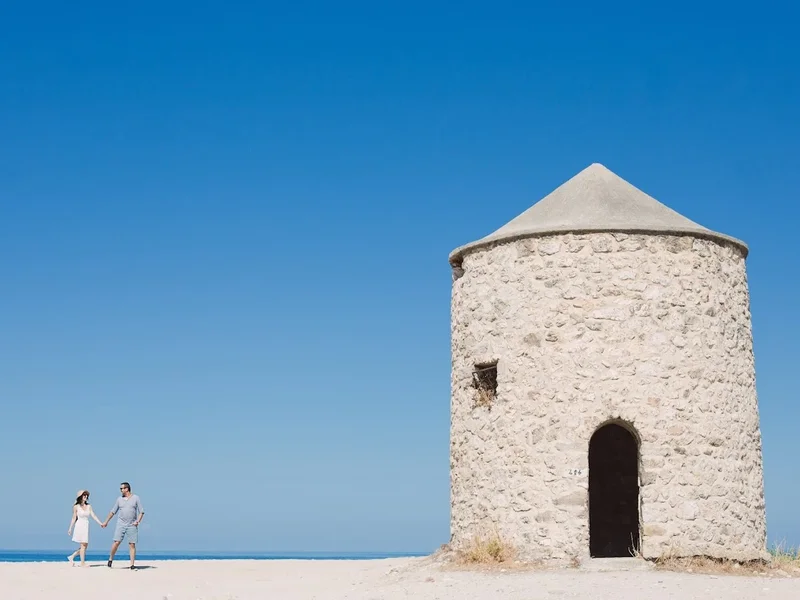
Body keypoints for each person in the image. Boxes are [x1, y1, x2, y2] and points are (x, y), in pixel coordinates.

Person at [101, 481, 145, 569]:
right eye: (120, 489)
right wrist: (106, 522)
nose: (121, 490)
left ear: (127, 489)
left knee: (132, 544)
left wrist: (137, 521)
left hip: (132, 525)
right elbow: (113, 512)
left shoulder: (136, 498)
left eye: (122, 488)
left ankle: (132, 564)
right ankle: (110, 559)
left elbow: (141, 511)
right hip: (120, 524)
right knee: (116, 542)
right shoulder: (119, 499)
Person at [67, 490, 103, 567]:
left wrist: (100, 523)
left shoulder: (89, 506)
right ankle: (82, 563)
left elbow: (93, 516)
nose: (86, 497)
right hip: (79, 526)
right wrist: (70, 528)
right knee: (83, 545)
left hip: (86, 526)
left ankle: (72, 557)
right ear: (80, 497)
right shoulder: (76, 507)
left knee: (85, 546)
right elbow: (73, 518)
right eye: (84, 495)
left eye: (87, 495)